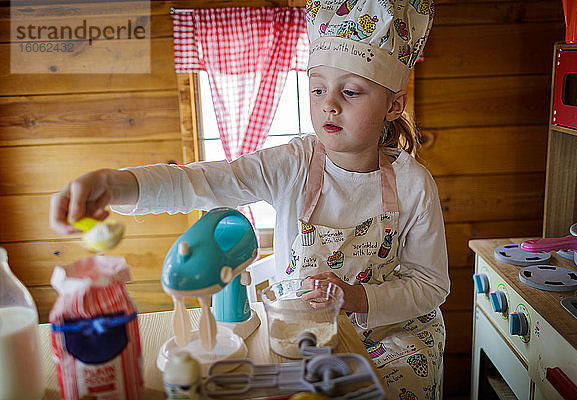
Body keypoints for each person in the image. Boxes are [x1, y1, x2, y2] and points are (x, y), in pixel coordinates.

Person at [50, 0, 449, 397]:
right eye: (317, 88)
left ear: (394, 104)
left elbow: (430, 285)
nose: (329, 103)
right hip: (300, 331)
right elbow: (202, 181)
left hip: (392, 341)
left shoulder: (414, 184)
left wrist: (358, 297)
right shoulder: (293, 163)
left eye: (350, 91)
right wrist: (115, 184)